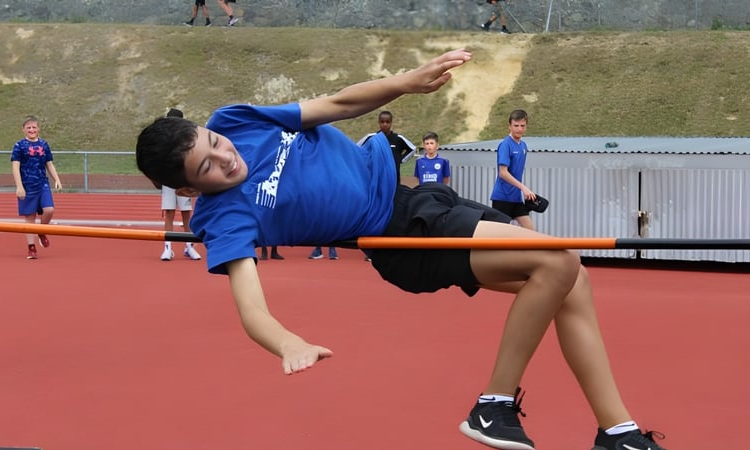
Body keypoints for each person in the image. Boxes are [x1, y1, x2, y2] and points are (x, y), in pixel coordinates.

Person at [135, 49, 665, 450]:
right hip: (401, 234)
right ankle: (493, 406)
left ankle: (616, 432)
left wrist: (406, 85)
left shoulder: (235, 121)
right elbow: (249, 305)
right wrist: (286, 342)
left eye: (214, 144)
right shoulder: (224, 216)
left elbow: (339, 104)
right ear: (187, 190)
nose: (224, 158)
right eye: (207, 167)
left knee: (573, 279)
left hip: (418, 198)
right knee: (559, 260)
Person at [11, 116, 62, 260]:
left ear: (38, 129)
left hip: (42, 183)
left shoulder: (44, 144)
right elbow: (15, 166)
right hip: (27, 186)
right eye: (28, 128)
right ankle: (31, 248)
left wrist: (57, 179)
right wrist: (19, 186)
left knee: (49, 210)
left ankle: (41, 231)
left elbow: (49, 164)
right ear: (23, 130)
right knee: (30, 218)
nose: (31, 130)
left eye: (34, 127)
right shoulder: (19, 146)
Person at [160, 109, 202, 261]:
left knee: (186, 215)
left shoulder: (187, 137)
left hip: (183, 179)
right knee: (169, 213)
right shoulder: (162, 138)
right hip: (168, 180)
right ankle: (168, 249)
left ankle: (189, 247)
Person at [489, 109, 536, 231]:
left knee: (530, 230)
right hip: (502, 198)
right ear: (509, 126)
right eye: (516, 126)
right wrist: (524, 188)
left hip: (516, 198)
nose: (519, 129)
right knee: (499, 235)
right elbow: (503, 173)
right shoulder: (505, 145)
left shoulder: (523, 146)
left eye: (522, 126)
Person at [357, 110, 417, 186]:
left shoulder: (398, 138)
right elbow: (357, 148)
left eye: (387, 122)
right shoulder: (371, 138)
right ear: (378, 122)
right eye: (382, 122)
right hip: (375, 177)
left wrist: (400, 159)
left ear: (391, 123)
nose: (385, 124)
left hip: (393, 177)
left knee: (394, 196)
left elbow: (413, 149)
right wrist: (366, 162)